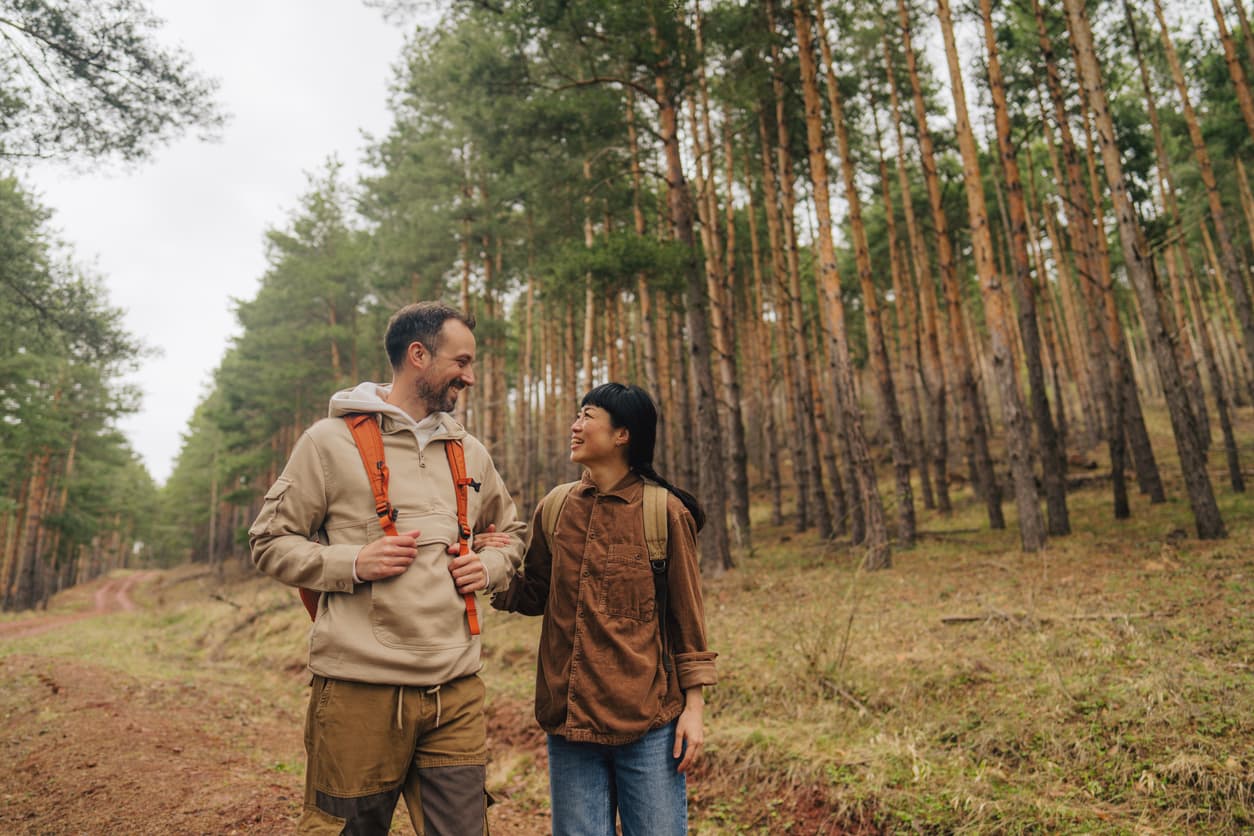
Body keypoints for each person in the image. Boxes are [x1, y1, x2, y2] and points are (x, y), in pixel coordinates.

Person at [249, 301, 526, 835]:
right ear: (418, 355)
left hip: (456, 690)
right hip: (359, 691)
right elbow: (269, 541)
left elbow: (511, 534)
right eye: (461, 362)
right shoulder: (327, 443)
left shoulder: (469, 451)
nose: (469, 377)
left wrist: (489, 565)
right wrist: (353, 561)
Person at [489, 382, 717, 835]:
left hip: (649, 726)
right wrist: (489, 563)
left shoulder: (664, 512)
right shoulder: (556, 507)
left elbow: (687, 622)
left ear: (622, 435)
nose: (575, 426)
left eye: (587, 416)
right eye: (578, 415)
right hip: (569, 725)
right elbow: (534, 593)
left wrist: (693, 710)